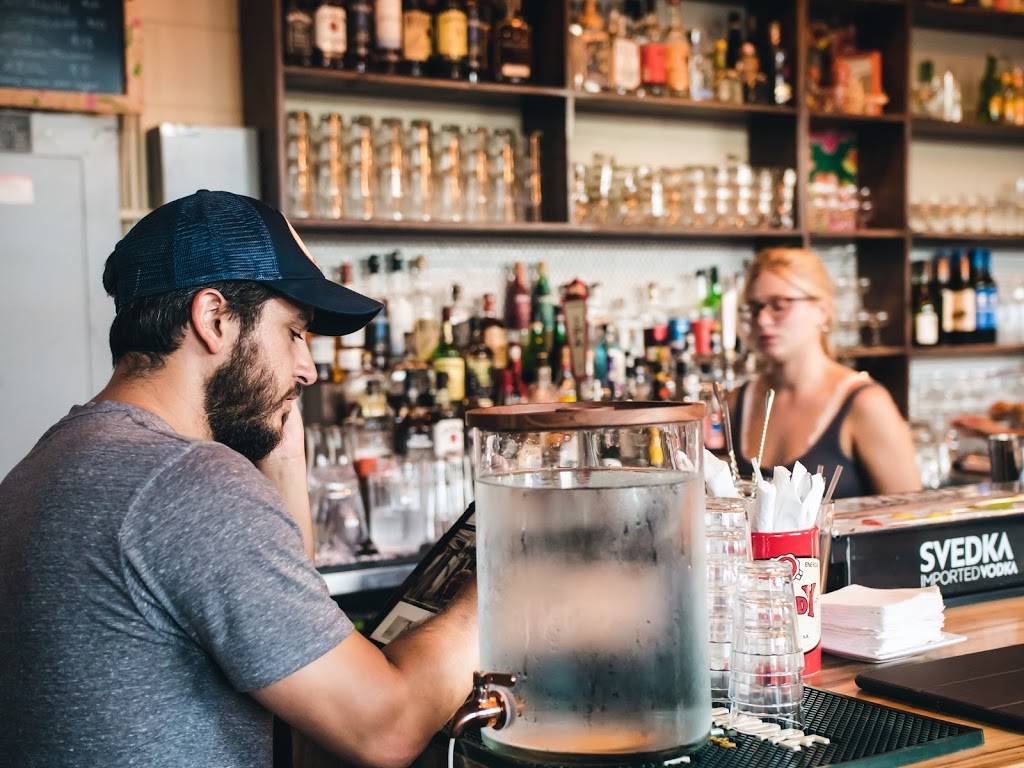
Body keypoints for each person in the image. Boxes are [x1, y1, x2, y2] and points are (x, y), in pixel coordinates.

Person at [0, 191, 478, 768]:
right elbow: (385, 728)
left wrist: (283, 456)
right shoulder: (187, 482)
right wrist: (509, 578)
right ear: (214, 319)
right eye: (294, 333)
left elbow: (289, 648)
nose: (308, 369)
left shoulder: (51, 462)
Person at [729, 247, 920, 498]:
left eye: (779, 305)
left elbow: (908, 512)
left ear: (822, 311)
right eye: (754, 308)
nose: (762, 320)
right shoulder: (737, 402)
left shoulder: (865, 403)